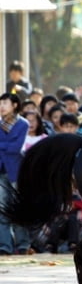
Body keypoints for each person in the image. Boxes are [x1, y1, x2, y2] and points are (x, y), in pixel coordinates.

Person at [0, 92, 30, 254]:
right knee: (2, 209)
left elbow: (16, 147)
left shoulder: (22, 124)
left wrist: (2, 145)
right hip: (1, 171)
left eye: (5, 103)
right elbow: (9, 146)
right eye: (0, 103)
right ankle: (5, 246)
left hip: (17, 171)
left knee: (18, 208)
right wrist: (6, 145)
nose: (1, 107)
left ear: (15, 105)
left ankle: (23, 244)